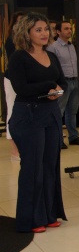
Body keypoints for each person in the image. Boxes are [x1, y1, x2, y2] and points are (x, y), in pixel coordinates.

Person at [7, 13, 67, 232]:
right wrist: (49, 87)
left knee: (50, 165)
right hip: (28, 116)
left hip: (50, 113)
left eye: (45, 29)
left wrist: (57, 91)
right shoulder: (19, 57)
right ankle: (31, 219)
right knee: (33, 168)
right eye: (38, 30)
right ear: (27, 32)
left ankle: (49, 214)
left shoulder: (52, 55)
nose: (44, 33)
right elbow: (20, 88)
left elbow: (63, 82)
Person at [47, 20, 79, 148]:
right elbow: (52, 67)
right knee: (59, 111)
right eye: (66, 29)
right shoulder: (53, 47)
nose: (69, 31)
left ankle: (73, 136)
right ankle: (58, 139)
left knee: (72, 111)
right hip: (63, 82)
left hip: (75, 81)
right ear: (58, 32)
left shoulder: (72, 46)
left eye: (70, 29)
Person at [5, 10, 26, 162]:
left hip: (26, 80)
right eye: (19, 21)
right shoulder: (11, 41)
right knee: (12, 111)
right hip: (12, 80)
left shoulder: (29, 40)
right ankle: (14, 150)